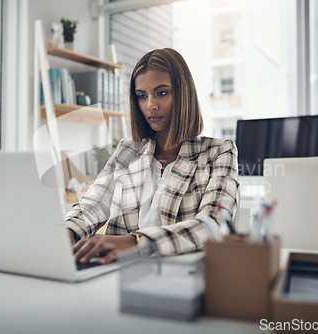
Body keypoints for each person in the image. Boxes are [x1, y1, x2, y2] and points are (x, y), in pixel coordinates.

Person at [65, 48, 239, 265]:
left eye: (162, 93)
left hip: (182, 277)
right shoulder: (128, 150)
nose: (150, 105)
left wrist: (137, 242)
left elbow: (213, 224)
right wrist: (67, 232)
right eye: (141, 96)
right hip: (118, 273)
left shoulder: (219, 152)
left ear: (183, 94)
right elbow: (93, 205)